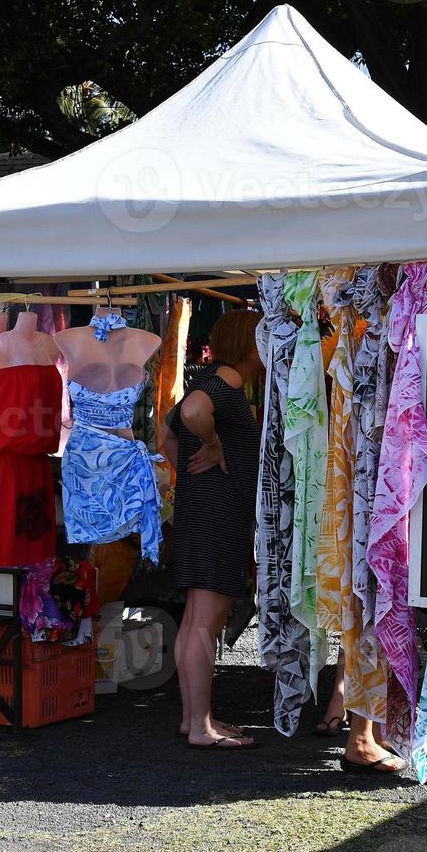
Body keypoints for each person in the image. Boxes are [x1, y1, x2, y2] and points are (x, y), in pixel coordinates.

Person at [163, 309, 264, 750]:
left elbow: (166, 431)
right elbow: (190, 412)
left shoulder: (209, 380)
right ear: (249, 342)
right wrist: (211, 444)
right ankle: (202, 727)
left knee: (194, 620)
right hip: (217, 513)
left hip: (201, 509)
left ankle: (194, 719)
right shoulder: (223, 384)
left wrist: (187, 469)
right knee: (205, 621)